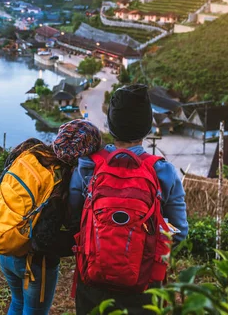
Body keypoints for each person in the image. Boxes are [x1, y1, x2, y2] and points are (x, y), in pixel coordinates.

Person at [68, 84, 188, 314]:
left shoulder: (88, 165)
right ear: (147, 127)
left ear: (110, 125)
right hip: (143, 284)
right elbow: (180, 232)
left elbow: (74, 216)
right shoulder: (164, 172)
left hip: (92, 278)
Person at [0, 120, 102, 315]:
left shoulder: (30, 154)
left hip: (5, 244)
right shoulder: (63, 180)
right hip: (33, 261)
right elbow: (47, 239)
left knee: (17, 303)